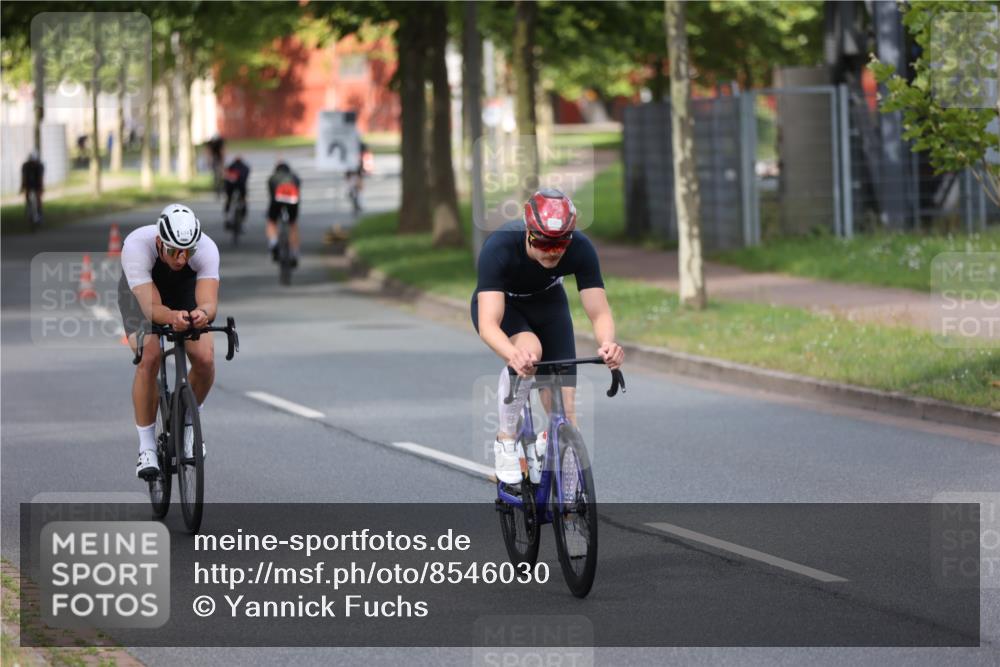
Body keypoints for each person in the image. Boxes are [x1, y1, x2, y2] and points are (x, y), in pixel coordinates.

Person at [471, 188, 624, 484]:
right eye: (543, 242)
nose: (552, 251)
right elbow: (489, 323)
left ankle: (567, 506)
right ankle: (506, 440)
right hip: (505, 305)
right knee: (529, 352)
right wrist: (512, 355)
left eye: (560, 244)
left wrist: (607, 343)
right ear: (528, 231)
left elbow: (599, 312)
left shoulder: (580, 248)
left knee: (566, 415)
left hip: (549, 303)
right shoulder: (499, 247)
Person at [117, 204, 220, 479]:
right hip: (142, 297)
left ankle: (187, 424)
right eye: (175, 251)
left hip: (183, 292)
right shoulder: (136, 247)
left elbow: (209, 302)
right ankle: (147, 448)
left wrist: (201, 314)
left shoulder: (206, 248)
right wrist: (172, 317)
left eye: (189, 252)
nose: (182, 258)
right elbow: (152, 310)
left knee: (205, 359)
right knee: (148, 358)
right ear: (159, 242)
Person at [266, 161, 302, 265]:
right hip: (293, 199)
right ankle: (294, 252)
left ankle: (273, 243)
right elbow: (298, 192)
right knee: (293, 224)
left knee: (271, 221)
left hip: (277, 198)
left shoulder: (273, 178)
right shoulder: (295, 177)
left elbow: (271, 195)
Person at [223, 154, 251, 227]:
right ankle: (243, 217)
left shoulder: (230, 166)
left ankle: (227, 216)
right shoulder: (245, 167)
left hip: (230, 186)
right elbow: (246, 177)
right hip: (241, 186)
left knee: (229, 199)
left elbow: (225, 176)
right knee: (243, 200)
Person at [20, 151, 44, 222]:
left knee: (38, 197)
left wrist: (41, 188)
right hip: (28, 183)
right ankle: (28, 208)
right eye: (31, 162)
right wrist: (22, 186)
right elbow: (24, 177)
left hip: (37, 183)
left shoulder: (39, 166)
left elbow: (40, 178)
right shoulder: (25, 166)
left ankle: (40, 213)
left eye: (33, 162)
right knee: (27, 196)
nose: (32, 164)